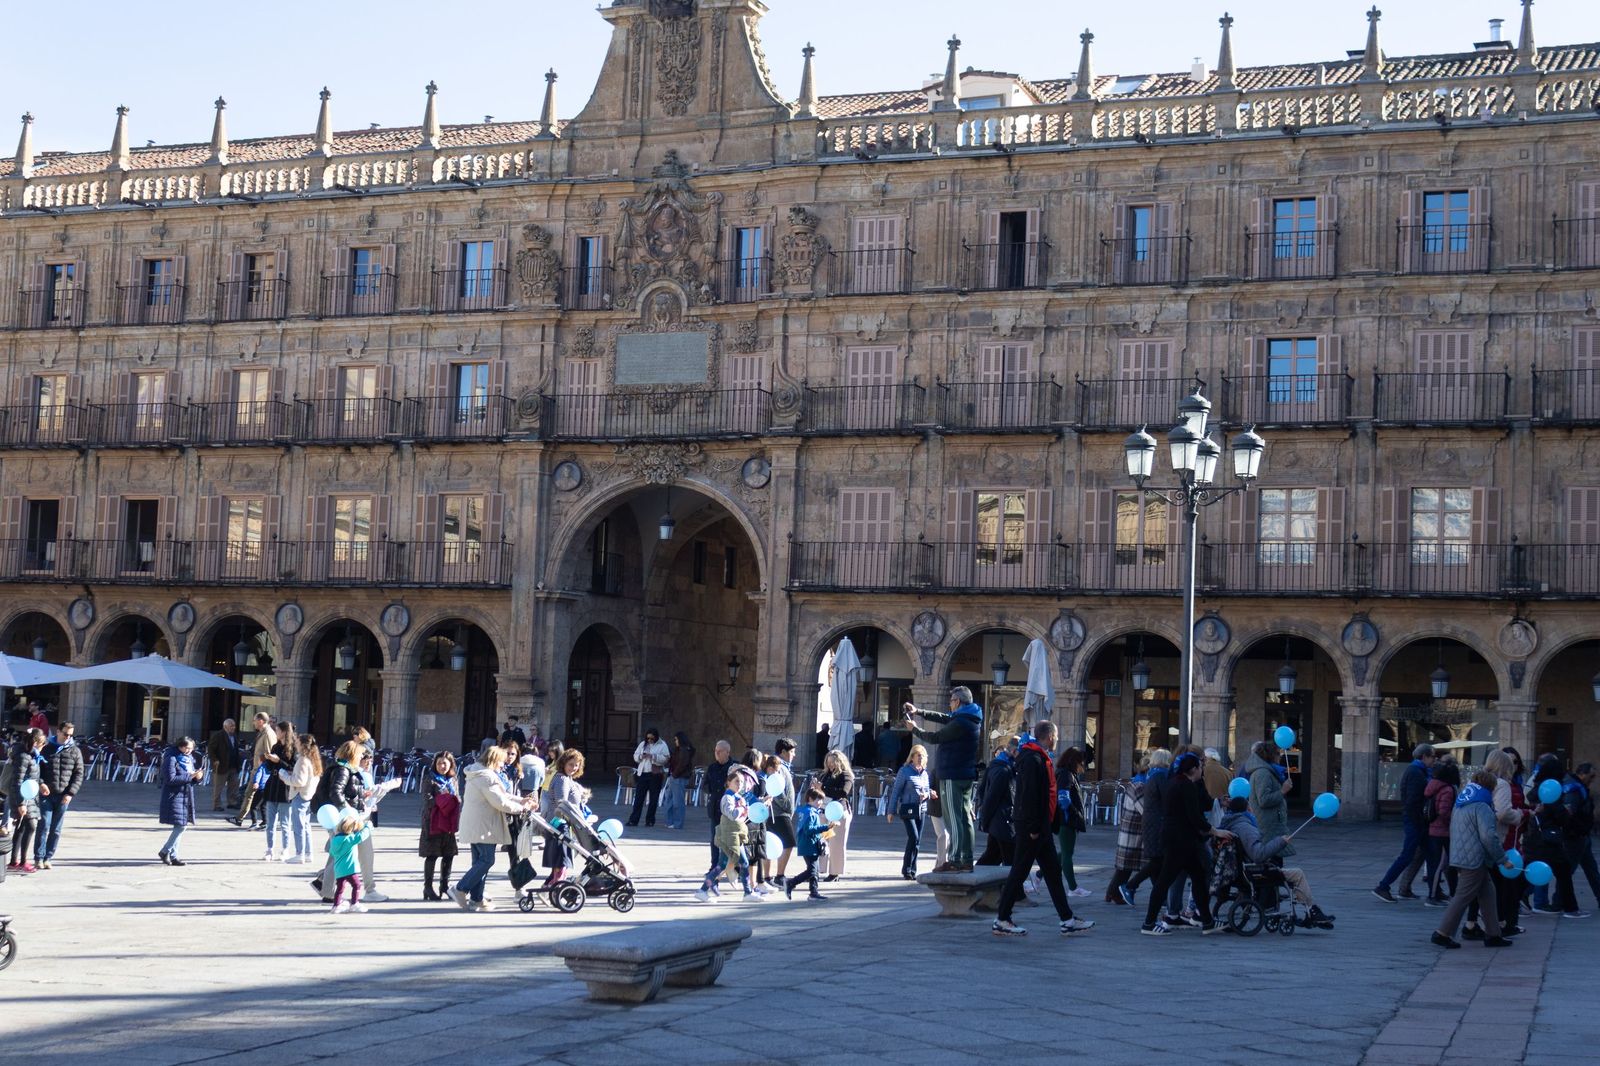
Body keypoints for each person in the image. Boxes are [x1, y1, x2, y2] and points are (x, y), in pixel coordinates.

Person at [991, 721, 1096, 937]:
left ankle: (1067, 919)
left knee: (1052, 874)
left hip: (1041, 826)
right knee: (1019, 871)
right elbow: (1029, 796)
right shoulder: (1032, 759)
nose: (1057, 739)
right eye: (1056, 736)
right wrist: (1034, 827)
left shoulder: (1039, 757)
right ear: (1049, 736)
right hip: (1033, 826)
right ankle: (1002, 919)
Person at [1142, 752, 1232, 936]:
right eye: (1200, 767)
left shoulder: (1177, 782)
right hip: (1179, 841)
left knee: (1199, 876)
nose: (1202, 770)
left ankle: (1207, 921)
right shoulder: (1185, 786)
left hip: (1182, 840)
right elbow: (1194, 817)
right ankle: (1149, 924)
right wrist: (1215, 831)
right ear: (1193, 770)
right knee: (1165, 881)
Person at [1219, 796, 1335, 928]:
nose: (1252, 809)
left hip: (1245, 868)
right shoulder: (1245, 827)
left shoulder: (1231, 823)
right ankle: (1311, 910)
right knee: (1298, 874)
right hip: (1256, 871)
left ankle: (1311, 909)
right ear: (1246, 809)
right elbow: (1258, 854)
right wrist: (1280, 842)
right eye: (1250, 806)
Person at [904, 687, 983, 872]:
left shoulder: (960, 723)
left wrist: (915, 729)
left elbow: (935, 737)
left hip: (952, 775)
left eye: (951, 700)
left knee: (954, 819)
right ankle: (966, 858)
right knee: (964, 819)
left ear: (958, 701)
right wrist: (919, 712)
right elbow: (943, 717)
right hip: (965, 774)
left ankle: (955, 860)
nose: (949, 703)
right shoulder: (969, 718)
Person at [1431, 771, 1514, 949]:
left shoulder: (1462, 802)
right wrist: (1503, 859)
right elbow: (1488, 836)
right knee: (1463, 896)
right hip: (1475, 858)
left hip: (1462, 855)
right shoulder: (1482, 806)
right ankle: (1442, 933)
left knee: (1488, 894)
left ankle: (1493, 934)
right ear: (1490, 787)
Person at [450, 745, 537, 911]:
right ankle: (460, 888)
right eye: (501, 762)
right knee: (487, 860)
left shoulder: (478, 773)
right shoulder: (486, 776)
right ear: (494, 760)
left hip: (477, 824)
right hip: (484, 825)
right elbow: (501, 802)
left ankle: (477, 899)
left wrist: (521, 800)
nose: (502, 766)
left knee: (479, 861)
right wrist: (523, 808)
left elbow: (501, 794)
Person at [1528, 753, 1589, 918]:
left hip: (1538, 836)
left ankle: (1526, 901)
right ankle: (1569, 908)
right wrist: (1566, 813)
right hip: (1549, 837)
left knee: (1550, 871)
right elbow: (1558, 813)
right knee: (1562, 873)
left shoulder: (1537, 787)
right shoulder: (1550, 788)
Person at [1373, 743, 1436, 902]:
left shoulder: (1418, 770)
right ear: (1424, 757)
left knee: (1431, 855)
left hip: (1417, 821)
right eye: (1432, 757)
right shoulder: (1415, 772)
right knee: (1407, 856)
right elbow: (1412, 801)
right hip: (1415, 822)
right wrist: (1419, 822)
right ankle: (1383, 886)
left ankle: (1434, 892)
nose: (1434, 760)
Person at [311, 741, 371, 903]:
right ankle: (328, 892)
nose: (362, 758)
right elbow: (336, 792)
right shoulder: (343, 770)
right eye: (360, 754)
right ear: (352, 755)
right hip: (339, 818)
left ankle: (323, 882)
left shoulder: (344, 769)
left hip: (339, 815)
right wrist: (348, 813)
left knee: (337, 853)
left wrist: (360, 795)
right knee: (337, 855)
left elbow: (346, 791)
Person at [694, 764, 761, 902]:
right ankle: (747, 892)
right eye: (736, 781)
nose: (739, 785)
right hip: (729, 835)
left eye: (741, 782)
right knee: (741, 863)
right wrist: (743, 808)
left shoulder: (737, 797)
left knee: (725, 864)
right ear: (728, 782)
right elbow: (732, 814)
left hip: (734, 835)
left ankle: (703, 890)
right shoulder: (728, 798)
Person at [1120, 748, 1173, 904]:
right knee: (1158, 861)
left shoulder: (1152, 775)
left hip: (1152, 824)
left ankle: (1160, 897)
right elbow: (1168, 799)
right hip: (1158, 825)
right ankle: (1130, 886)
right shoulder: (1161, 776)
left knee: (1158, 861)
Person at [34, 722, 83, 870]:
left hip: (63, 795)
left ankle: (48, 857)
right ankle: (38, 857)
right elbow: (37, 769)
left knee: (56, 829)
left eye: (70, 735)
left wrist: (70, 793)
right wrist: (41, 783)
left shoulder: (75, 751)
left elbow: (79, 774)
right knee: (43, 825)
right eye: (65, 734)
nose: (68, 737)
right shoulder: (47, 748)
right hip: (46, 794)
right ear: (58, 732)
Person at [540, 749, 589, 887]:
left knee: (560, 859)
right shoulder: (562, 779)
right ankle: (555, 885)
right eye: (571, 764)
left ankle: (550, 885)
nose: (574, 768)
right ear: (563, 763)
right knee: (562, 859)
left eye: (577, 765)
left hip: (562, 822)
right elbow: (562, 803)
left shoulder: (565, 778)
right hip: (561, 823)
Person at [886, 744, 933, 880]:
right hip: (908, 808)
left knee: (918, 841)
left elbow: (928, 789)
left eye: (922, 756)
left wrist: (927, 795)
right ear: (911, 757)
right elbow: (896, 791)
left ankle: (913, 869)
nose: (920, 758)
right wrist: (891, 811)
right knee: (914, 837)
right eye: (917, 755)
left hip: (921, 809)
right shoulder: (904, 771)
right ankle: (906, 869)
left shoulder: (924, 773)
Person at [1106, 758, 1149, 904]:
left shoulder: (1137, 782)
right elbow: (1145, 809)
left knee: (1126, 866)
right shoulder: (1140, 785)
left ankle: (1112, 892)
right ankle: (1114, 892)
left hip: (1133, 830)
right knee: (1127, 866)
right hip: (1134, 831)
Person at [419, 751, 460, 901]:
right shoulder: (430, 779)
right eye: (439, 763)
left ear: (450, 764)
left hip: (448, 821)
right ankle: (428, 887)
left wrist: (453, 802)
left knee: (448, 854)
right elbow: (427, 799)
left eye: (445, 763)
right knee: (432, 854)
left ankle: (444, 886)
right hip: (433, 821)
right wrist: (445, 801)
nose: (442, 766)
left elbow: (457, 797)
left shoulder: (453, 779)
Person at [3, 729, 45, 874]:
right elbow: (17, 781)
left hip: (30, 796)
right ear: (35, 742)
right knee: (30, 826)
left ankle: (15, 861)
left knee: (22, 828)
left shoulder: (32, 756)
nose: (43, 746)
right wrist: (20, 803)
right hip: (22, 797)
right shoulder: (23, 756)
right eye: (41, 743)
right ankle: (21, 861)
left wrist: (41, 783)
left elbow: (32, 775)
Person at [157, 736, 203, 866]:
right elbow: (170, 779)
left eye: (191, 748)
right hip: (174, 796)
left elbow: (190, 777)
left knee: (180, 825)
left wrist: (197, 777)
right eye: (186, 748)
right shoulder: (171, 758)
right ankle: (165, 850)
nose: (189, 750)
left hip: (185, 794)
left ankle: (173, 855)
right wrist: (190, 776)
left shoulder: (188, 759)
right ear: (180, 746)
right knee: (181, 826)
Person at [1422, 761, 1461, 906]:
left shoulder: (1433, 786)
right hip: (1443, 831)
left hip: (1433, 829)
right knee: (1441, 865)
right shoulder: (1447, 789)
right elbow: (1444, 812)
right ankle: (1433, 896)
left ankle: (1439, 893)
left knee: (1437, 864)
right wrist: (1456, 818)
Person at [976, 737, 1018, 867]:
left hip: (1000, 821)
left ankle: (978, 881)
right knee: (1008, 860)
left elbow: (983, 791)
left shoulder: (1000, 766)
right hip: (1003, 822)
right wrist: (984, 819)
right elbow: (991, 797)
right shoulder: (1003, 770)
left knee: (992, 857)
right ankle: (1012, 887)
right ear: (1014, 751)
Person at [785, 786, 833, 901]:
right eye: (818, 800)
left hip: (808, 844)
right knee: (811, 871)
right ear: (810, 799)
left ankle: (813, 892)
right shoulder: (811, 813)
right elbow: (809, 829)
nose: (821, 802)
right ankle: (791, 883)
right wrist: (826, 827)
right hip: (809, 845)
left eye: (821, 800)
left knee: (814, 870)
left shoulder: (806, 811)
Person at [279, 733, 321, 864]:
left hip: (300, 795)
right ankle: (307, 853)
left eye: (297, 742)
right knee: (306, 826)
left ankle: (300, 854)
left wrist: (284, 776)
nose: (295, 744)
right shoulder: (313, 759)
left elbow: (299, 781)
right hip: (307, 795)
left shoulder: (303, 760)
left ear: (302, 745)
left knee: (299, 826)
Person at [1563, 763, 1600, 907]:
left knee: (1591, 869)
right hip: (1576, 836)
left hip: (1582, 835)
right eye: (1591, 776)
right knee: (1567, 872)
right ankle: (1557, 901)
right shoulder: (1574, 789)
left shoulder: (1578, 787)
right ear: (1582, 774)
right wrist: (1578, 829)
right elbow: (1570, 814)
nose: (1593, 779)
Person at [1055, 747, 1091, 898]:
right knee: (1068, 854)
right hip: (1067, 819)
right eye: (1082, 763)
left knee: (1065, 851)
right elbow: (1063, 798)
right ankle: (1072, 887)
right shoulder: (1066, 775)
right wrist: (1074, 814)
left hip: (1067, 819)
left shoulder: (1067, 774)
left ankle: (1038, 875)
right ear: (1075, 762)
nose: (1084, 767)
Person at [229, 711, 275, 829]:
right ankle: (240, 818)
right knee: (249, 794)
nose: (253, 722)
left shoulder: (268, 734)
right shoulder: (262, 733)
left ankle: (257, 821)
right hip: (257, 769)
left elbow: (270, 753)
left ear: (261, 721)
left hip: (261, 771)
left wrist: (262, 769)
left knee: (253, 796)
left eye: (254, 720)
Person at [260, 721, 297, 862]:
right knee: (270, 823)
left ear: (284, 732)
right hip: (272, 785)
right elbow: (269, 767)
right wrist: (268, 759)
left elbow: (292, 767)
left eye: (277, 730)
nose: (276, 732)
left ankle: (285, 849)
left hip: (285, 787)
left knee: (285, 823)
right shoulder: (276, 745)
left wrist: (278, 760)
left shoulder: (293, 748)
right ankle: (270, 849)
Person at [819, 748, 856, 880]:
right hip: (824, 811)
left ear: (840, 762)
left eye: (833, 762)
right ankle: (820, 869)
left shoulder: (846, 775)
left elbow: (843, 792)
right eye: (828, 762)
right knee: (824, 841)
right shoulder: (824, 774)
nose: (830, 765)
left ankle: (835, 872)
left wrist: (822, 788)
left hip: (839, 812)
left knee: (836, 843)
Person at [326, 813, 372, 914]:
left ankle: (336, 906)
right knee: (357, 885)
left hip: (339, 869)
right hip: (350, 868)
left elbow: (332, 852)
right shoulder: (349, 839)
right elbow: (361, 836)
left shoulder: (335, 840)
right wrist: (368, 826)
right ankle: (354, 903)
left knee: (340, 888)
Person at [768, 741, 800, 881]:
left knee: (769, 843)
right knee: (789, 842)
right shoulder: (778, 766)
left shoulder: (782, 766)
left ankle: (767, 876)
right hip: (779, 812)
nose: (794, 755)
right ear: (783, 752)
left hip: (776, 812)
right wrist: (787, 806)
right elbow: (777, 789)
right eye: (792, 751)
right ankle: (779, 876)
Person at [627, 728, 670, 827]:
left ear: (656, 737)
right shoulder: (643, 744)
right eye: (648, 738)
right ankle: (634, 820)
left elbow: (666, 758)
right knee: (638, 798)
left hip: (655, 774)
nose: (649, 740)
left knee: (653, 799)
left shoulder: (662, 745)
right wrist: (640, 757)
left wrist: (653, 757)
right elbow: (635, 755)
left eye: (652, 738)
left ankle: (650, 820)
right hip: (643, 773)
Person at [703, 740, 733, 866]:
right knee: (715, 839)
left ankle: (729, 866)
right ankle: (714, 865)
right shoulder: (712, 767)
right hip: (715, 807)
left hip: (730, 808)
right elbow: (705, 785)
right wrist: (713, 789)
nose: (716, 753)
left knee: (730, 840)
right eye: (715, 751)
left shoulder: (734, 766)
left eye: (719, 751)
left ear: (727, 752)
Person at [662, 731, 695, 830]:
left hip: (678, 777)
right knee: (669, 800)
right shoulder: (678, 750)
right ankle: (670, 822)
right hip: (674, 776)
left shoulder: (684, 751)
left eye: (676, 739)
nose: (675, 741)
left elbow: (682, 764)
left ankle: (677, 823)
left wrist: (675, 774)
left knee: (677, 802)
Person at [207, 719, 241, 811]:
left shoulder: (234, 735)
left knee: (233, 785)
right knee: (218, 787)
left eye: (234, 725)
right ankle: (217, 805)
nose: (233, 727)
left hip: (233, 765)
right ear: (225, 727)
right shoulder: (218, 735)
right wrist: (215, 760)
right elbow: (210, 749)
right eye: (231, 726)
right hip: (221, 766)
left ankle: (232, 802)